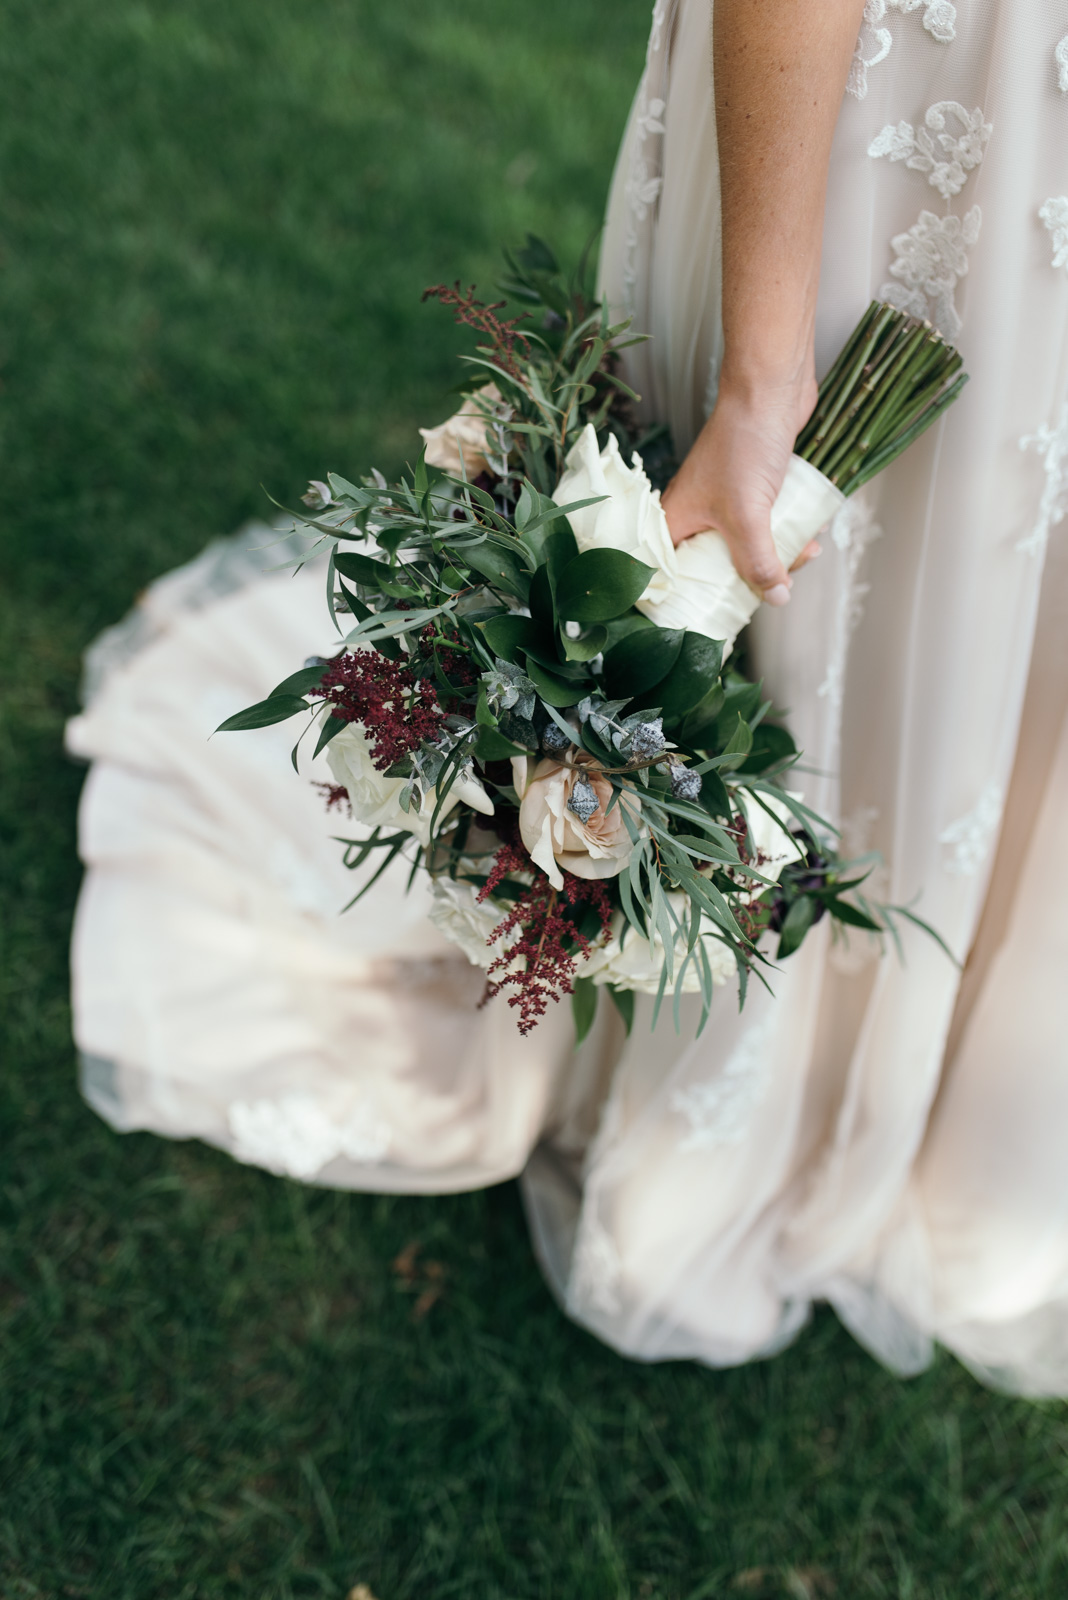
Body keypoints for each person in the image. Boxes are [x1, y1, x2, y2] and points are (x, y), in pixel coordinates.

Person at [68, 1, 1068, 1393]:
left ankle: (931, 1093)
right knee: (816, 591)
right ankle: (750, 1070)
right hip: (892, 133)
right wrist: (763, 372)